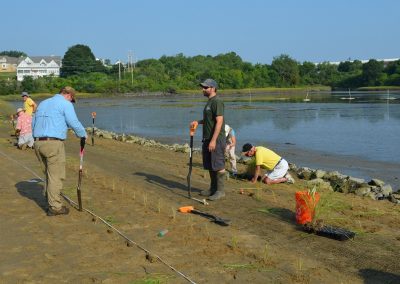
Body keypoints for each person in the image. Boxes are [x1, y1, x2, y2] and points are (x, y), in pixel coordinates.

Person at [33, 86, 87, 216]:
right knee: (55, 176)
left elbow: (33, 123)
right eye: (72, 99)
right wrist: (83, 134)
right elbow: (73, 122)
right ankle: (55, 207)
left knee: (48, 174)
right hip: (53, 143)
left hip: (38, 142)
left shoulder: (43, 103)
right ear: (69, 95)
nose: (71, 102)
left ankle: (51, 200)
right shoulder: (65, 104)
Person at [190, 79, 226, 201]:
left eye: (205, 87)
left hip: (216, 139)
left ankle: (220, 191)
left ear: (213, 88)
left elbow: (219, 121)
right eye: (203, 87)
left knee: (219, 164)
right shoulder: (209, 102)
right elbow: (210, 120)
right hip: (207, 138)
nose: (203, 89)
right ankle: (213, 188)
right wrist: (198, 122)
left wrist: (213, 140)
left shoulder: (217, 101)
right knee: (210, 164)